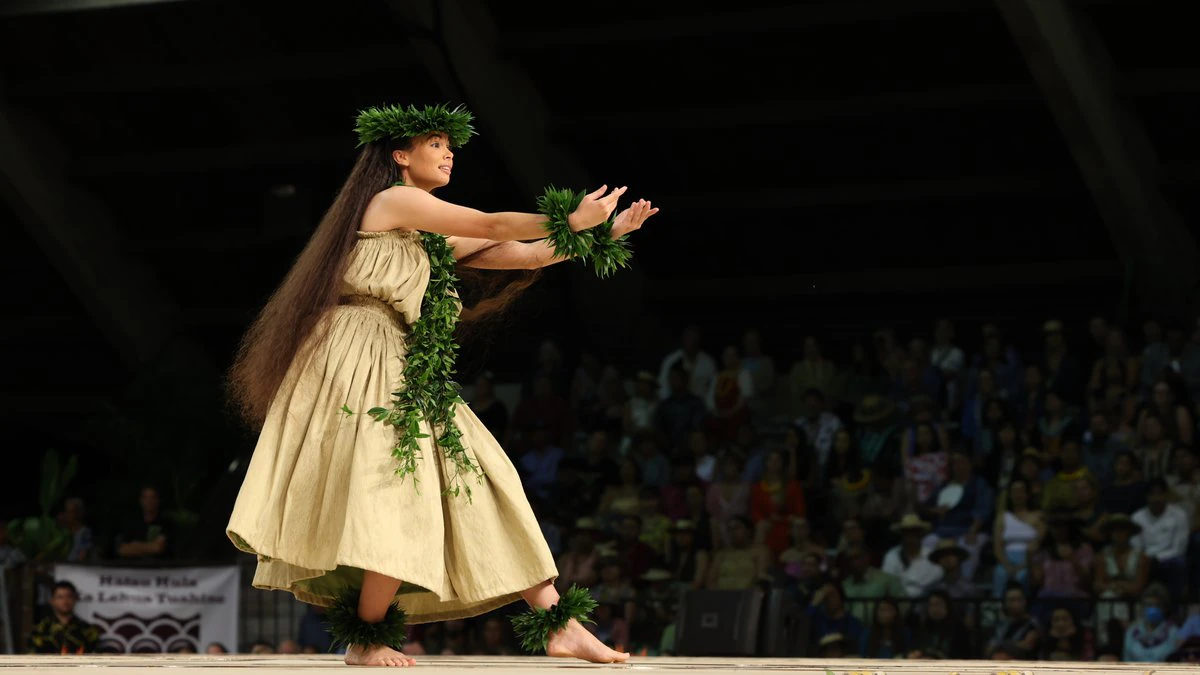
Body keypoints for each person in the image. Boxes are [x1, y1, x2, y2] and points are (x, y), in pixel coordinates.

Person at [225, 103, 657, 666]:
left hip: (402, 362)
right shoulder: (393, 201)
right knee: (392, 488)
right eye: (436, 144)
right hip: (358, 355)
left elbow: (522, 253)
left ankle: (559, 624)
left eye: (450, 147)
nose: (449, 153)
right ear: (400, 156)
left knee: (472, 473)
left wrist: (602, 235)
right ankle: (366, 638)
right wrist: (570, 219)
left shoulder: (427, 234)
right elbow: (492, 224)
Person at [27, 581, 100, 654]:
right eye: (60, 597)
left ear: (75, 599)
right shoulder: (41, 630)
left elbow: (95, 657)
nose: (65, 601)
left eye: (69, 596)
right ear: (52, 601)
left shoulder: (88, 630)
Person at [658, 325, 717, 402]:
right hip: (675, 406)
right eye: (689, 338)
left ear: (699, 341)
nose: (691, 342)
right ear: (683, 339)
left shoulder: (708, 363)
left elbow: (713, 388)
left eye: (694, 339)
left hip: (700, 407)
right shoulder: (671, 360)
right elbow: (663, 386)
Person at [115, 485, 172, 560]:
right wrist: (150, 546)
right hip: (135, 569)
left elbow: (157, 548)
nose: (149, 501)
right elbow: (123, 550)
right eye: (146, 498)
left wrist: (135, 545)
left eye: (152, 497)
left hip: (160, 569)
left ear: (158, 500)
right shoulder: (132, 524)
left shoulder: (166, 523)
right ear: (141, 501)